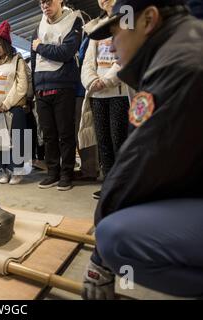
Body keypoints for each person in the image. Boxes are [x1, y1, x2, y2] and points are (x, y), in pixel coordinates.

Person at [81, 0, 203, 299]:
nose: (112, 42)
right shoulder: (185, 43)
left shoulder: (178, 64)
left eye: (118, 30)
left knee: (114, 236)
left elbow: (137, 166)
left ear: (148, 20)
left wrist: (100, 257)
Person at [80, 0, 131, 200]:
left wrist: (107, 80)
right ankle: (109, 185)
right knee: (104, 143)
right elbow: (87, 61)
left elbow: (127, 56)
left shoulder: (127, 20)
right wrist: (91, 81)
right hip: (98, 94)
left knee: (119, 141)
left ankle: (123, 187)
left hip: (118, 93)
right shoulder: (97, 26)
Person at [31, 0, 83, 191]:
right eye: (41, 2)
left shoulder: (74, 20)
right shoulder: (39, 26)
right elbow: (34, 60)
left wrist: (41, 47)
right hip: (42, 87)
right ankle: (52, 173)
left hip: (63, 86)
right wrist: (34, 87)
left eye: (49, 1)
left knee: (65, 134)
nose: (45, 5)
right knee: (48, 135)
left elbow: (67, 52)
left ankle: (66, 174)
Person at [0, 21, 29, 185]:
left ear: (7, 43)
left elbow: (21, 86)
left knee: (15, 140)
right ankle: (4, 170)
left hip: (12, 108)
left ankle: (17, 172)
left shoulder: (17, 60)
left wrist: (5, 104)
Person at [74, 11, 100, 184]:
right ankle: (87, 167)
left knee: (87, 130)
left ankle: (91, 169)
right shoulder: (83, 40)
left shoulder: (91, 38)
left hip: (86, 90)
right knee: (81, 130)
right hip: (78, 90)